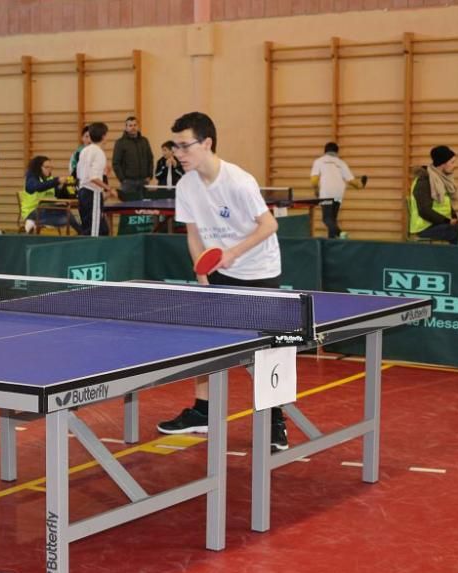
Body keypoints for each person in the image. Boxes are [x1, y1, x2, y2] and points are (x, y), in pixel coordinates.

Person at [155, 112, 290, 452]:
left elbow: (269, 225)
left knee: (265, 349)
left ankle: (276, 421)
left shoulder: (238, 181)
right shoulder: (185, 185)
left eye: (185, 146)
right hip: (218, 269)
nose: (179, 153)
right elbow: (193, 234)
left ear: (207, 143)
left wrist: (232, 252)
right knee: (207, 342)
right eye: (175, 146)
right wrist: (202, 275)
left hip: (259, 270)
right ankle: (203, 410)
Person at [310, 142, 367, 239]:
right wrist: (361, 185)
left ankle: (340, 233)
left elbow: (314, 180)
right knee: (332, 219)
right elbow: (352, 182)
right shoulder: (341, 163)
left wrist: (316, 190)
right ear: (337, 152)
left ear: (325, 151)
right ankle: (332, 242)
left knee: (326, 219)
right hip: (338, 194)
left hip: (326, 194)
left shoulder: (319, 161)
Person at [409, 145, 458, 243]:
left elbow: (446, 204)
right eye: (452, 162)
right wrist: (448, 221)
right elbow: (424, 210)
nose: (455, 165)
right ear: (442, 164)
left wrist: (455, 218)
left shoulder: (439, 179)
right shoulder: (424, 181)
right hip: (425, 228)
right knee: (456, 231)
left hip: (438, 224)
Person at [20, 155, 79, 234]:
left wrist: (69, 189)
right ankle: (31, 221)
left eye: (51, 167)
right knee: (66, 217)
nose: (49, 169)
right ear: (38, 167)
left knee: (66, 216)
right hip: (33, 211)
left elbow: (59, 196)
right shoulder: (31, 178)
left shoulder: (49, 179)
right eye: (46, 167)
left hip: (47, 210)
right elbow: (38, 187)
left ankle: (31, 224)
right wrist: (57, 181)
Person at [76, 122, 116, 236]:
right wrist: (109, 188)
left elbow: (81, 173)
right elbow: (92, 177)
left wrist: (103, 172)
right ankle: (91, 253)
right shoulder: (99, 152)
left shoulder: (85, 150)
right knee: (94, 231)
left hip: (83, 191)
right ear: (103, 136)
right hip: (92, 193)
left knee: (101, 229)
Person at [112, 116, 154, 201]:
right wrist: (122, 179)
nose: (133, 127)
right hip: (128, 182)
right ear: (126, 128)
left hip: (143, 181)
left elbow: (150, 158)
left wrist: (150, 175)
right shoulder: (120, 143)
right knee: (128, 207)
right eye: (130, 125)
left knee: (143, 208)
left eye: (135, 125)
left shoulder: (144, 141)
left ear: (138, 127)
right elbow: (116, 163)